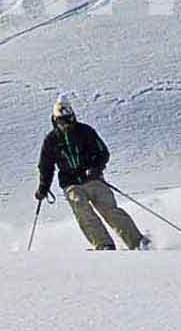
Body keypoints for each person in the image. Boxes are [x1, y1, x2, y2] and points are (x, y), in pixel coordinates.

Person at [36, 97, 146, 250]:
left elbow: (103, 152)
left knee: (110, 211)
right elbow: (46, 166)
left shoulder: (85, 131)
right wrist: (43, 187)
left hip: (92, 179)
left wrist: (96, 168)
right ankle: (103, 244)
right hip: (71, 183)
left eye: (68, 119)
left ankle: (137, 242)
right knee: (83, 212)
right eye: (61, 121)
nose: (65, 124)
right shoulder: (51, 140)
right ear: (55, 120)